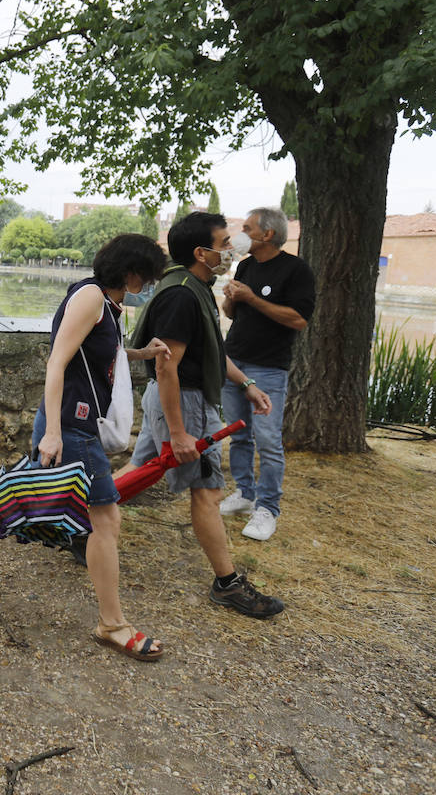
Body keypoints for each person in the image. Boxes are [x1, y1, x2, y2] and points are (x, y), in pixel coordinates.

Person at [0, 234, 172, 661]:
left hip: (71, 424)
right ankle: (112, 624)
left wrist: (141, 352)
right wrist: (53, 431)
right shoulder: (90, 297)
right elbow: (57, 360)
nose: (149, 282)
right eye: (147, 275)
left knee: (34, 497)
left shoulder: (106, 302)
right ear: (130, 272)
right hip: (70, 426)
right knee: (105, 520)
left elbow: (97, 354)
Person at [127, 211, 283, 618]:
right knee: (208, 491)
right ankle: (227, 583)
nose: (231, 249)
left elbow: (209, 350)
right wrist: (179, 433)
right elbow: (167, 366)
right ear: (201, 252)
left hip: (182, 401)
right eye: (224, 242)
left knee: (135, 472)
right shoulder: (181, 294)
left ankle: (70, 518)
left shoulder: (195, 286)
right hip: (185, 405)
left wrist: (246, 385)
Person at [218, 208, 315, 542]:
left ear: (267, 234)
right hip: (234, 363)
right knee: (239, 434)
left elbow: (299, 319)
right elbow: (234, 313)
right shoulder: (244, 266)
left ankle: (268, 508)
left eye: (247, 228)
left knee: (269, 441)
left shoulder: (296, 270)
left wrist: (251, 298)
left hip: (269, 368)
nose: (240, 233)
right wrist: (230, 300)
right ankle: (244, 494)